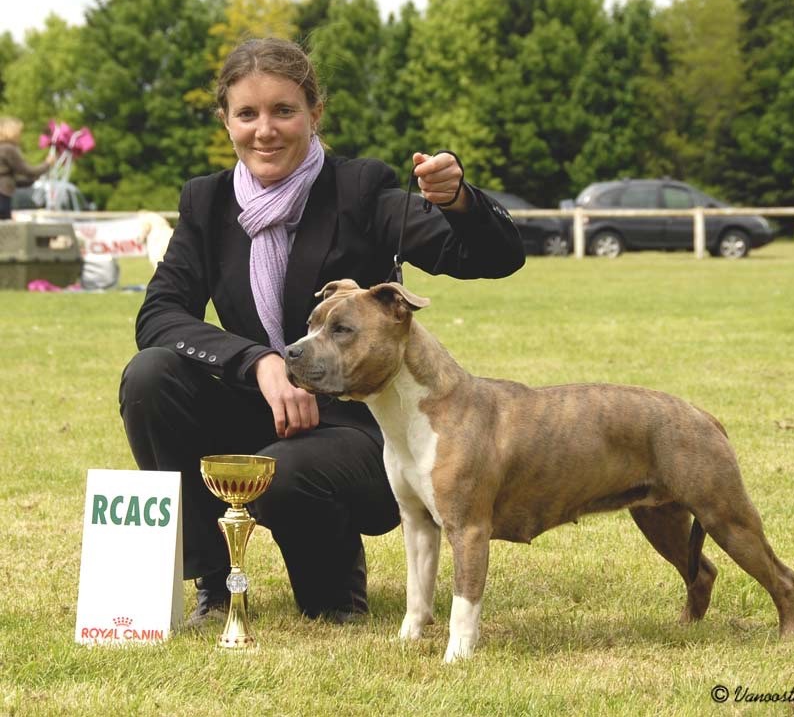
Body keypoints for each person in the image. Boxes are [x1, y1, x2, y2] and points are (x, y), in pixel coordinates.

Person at [118, 37, 525, 626]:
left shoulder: (359, 189)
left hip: (358, 431)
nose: (266, 130)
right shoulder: (206, 202)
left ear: (314, 113)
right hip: (263, 406)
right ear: (225, 121)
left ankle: (335, 588)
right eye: (247, 114)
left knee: (316, 575)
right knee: (151, 376)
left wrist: (459, 201)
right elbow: (158, 315)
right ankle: (213, 581)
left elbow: (492, 257)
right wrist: (259, 363)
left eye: (284, 111)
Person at [0, 117, 54, 220]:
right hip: (3, 194)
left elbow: (14, 178)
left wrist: (33, 179)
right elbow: (27, 170)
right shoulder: (8, 149)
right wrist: (47, 164)